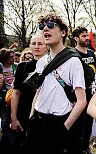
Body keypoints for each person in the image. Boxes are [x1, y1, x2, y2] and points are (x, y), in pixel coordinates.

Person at [25, 13, 87, 154]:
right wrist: (31, 117)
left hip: (59, 123)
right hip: (38, 120)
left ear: (63, 32)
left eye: (51, 25)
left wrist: (65, 127)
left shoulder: (73, 61)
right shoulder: (41, 62)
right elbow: (38, 91)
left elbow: (82, 101)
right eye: (42, 26)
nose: (45, 29)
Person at [10, 34, 47, 153]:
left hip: (43, 113)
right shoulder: (22, 66)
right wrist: (14, 118)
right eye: (34, 43)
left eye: (40, 44)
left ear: (46, 45)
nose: (36, 47)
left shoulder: (52, 66)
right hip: (23, 114)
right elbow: (16, 93)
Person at [72, 26, 96, 154]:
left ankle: (86, 146)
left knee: (88, 122)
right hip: (77, 94)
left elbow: (95, 72)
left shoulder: (91, 53)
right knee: (78, 124)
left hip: (90, 92)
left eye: (87, 35)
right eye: (83, 36)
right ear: (76, 38)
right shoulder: (73, 55)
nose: (87, 38)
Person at [0, 48, 17, 153]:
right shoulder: (1, 68)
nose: (13, 58)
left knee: (8, 119)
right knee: (4, 119)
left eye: (13, 56)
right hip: (2, 97)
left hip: (13, 97)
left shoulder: (16, 67)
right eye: (10, 56)